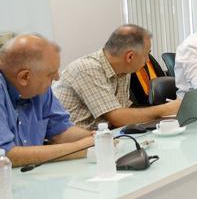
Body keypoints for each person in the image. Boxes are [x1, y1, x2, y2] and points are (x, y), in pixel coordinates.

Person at [53, 25, 181, 129]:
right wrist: (165, 109)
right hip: (76, 144)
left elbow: (125, 114)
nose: (148, 60)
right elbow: (118, 119)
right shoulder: (87, 69)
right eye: (147, 54)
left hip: (102, 137)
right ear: (130, 57)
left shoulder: (123, 70)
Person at [0, 34, 94, 167]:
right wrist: (79, 148)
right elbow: (6, 156)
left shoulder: (37, 88)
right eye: (51, 74)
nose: (57, 78)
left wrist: (96, 137)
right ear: (24, 77)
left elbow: (61, 131)